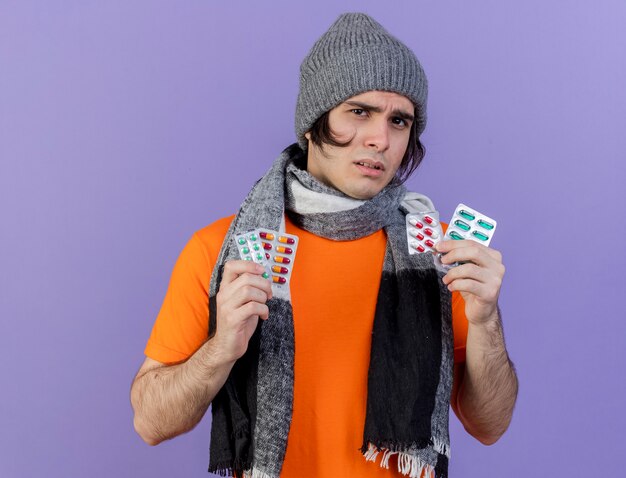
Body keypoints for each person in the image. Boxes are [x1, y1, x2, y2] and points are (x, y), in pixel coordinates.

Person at [130, 12, 518, 478]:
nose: (380, 139)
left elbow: (489, 424)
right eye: (360, 112)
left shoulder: (441, 253)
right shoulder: (223, 249)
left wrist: (485, 319)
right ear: (313, 123)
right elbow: (151, 422)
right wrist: (222, 349)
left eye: (400, 121)